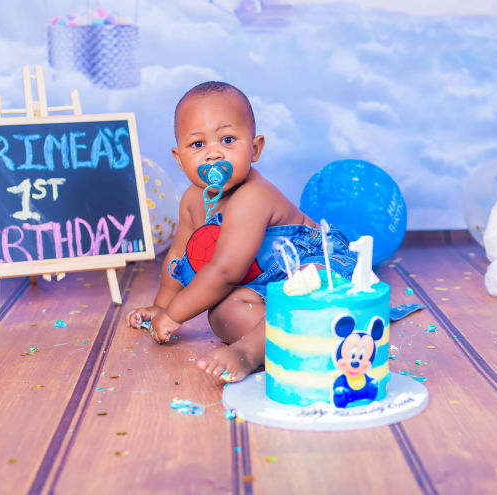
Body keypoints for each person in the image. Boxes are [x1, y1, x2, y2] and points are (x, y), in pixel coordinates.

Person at [125, 81, 355, 383]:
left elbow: (226, 271)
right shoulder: (192, 200)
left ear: (254, 148)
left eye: (227, 140)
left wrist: (175, 314)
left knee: (309, 288)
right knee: (223, 313)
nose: (213, 154)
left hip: (315, 264)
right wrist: (161, 306)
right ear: (179, 159)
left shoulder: (252, 196)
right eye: (198, 145)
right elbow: (178, 258)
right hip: (268, 284)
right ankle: (305, 335)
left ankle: (249, 352)